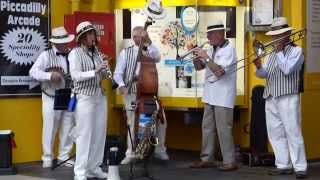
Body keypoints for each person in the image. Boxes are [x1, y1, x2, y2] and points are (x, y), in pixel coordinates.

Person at [253, 17, 307, 179]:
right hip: (270, 96)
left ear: (288, 34)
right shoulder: (270, 53)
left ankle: (300, 167)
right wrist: (259, 67)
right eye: (274, 35)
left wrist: (279, 52)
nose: (275, 38)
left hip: (288, 96)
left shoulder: (297, 51)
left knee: (293, 131)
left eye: (279, 35)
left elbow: (287, 70)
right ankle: (283, 164)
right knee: (275, 133)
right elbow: (264, 75)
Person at [114, 26, 169, 164]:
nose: (140, 38)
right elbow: (118, 73)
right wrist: (121, 86)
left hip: (149, 94)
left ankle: (159, 150)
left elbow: (157, 57)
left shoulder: (150, 51)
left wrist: (148, 42)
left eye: (142, 36)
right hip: (132, 93)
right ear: (133, 38)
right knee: (132, 122)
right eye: (137, 36)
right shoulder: (125, 53)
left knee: (160, 121)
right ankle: (131, 152)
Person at [189, 20, 238, 171]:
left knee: (224, 129)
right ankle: (207, 158)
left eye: (210, 35)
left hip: (223, 96)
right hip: (210, 94)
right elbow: (199, 68)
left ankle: (230, 161)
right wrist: (195, 55)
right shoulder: (211, 48)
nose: (208, 38)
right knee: (207, 128)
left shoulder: (229, 50)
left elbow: (219, 72)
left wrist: (206, 57)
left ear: (219, 34)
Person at [29, 27, 75, 168]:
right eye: (63, 42)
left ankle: (63, 156)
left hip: (69, 94)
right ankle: (47, 157)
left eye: (66, 42)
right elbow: (33, 72)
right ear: (55, 42)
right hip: (51, 96)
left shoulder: (72, 55)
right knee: (50, 127)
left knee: (68, 126)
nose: (66, 45)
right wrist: (49, 76)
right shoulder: (45, 55)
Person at [68, 21, 109, 180]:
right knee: (85, 135)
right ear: (83, 37)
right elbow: (75, 76)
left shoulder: (96, 53)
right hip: (84, 97)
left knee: (100, 134)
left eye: (93, 33)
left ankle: (94, 167)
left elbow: (103, 76)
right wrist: (95, 70)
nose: (94, 37)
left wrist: (105, 69)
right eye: (90, 34)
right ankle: (80, 172)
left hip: (99, 95)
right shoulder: (75, 53)